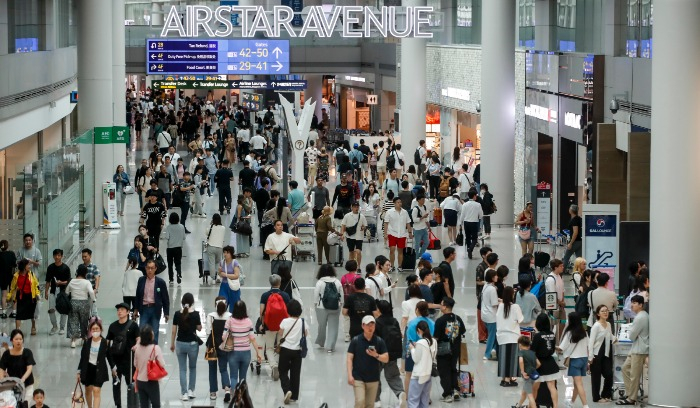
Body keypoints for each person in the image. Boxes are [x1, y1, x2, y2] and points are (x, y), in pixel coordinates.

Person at [347, 315, 389, 408]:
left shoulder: (379, 341)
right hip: (358, 377)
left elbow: (386, 358)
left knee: (370, 405)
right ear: (362, 326)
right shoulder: (355, 340)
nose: (370, 327)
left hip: (373, 378)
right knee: (360, 401)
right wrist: (350, 375)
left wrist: (376, 355)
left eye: (372, 325)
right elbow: (349, 358)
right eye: (367, 325)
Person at [258, 274, 292, 381]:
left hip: (269, 326)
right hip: (283, 326)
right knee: (280, 346)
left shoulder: (265, 295)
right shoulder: (285, 295)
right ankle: (280, 366)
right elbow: (289, 311)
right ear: (280, 283)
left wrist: (262, 324)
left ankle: (273, 366)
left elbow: (261, 312)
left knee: (269, 348)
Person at [223, 300, 262, 389]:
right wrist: (258, 352)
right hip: (246, 353)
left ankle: (234, 398)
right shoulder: (248, 321)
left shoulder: (229, 321)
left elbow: (223, 337)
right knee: (243, 378)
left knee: (233, 377)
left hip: (233, 352)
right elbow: (252, 338)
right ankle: (241, 399)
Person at [107, 302, 139, 408]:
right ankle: (118, 405)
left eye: (121, 309)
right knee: (116, 384)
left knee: (131, 384)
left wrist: (136, 346)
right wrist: (111, 363)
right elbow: (108, 343)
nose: (119, 311)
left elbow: (138, 339)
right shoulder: (112, 326)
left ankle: (131, 404)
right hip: (116, 361)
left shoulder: (133, 326)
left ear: (127, 312)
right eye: (118, 310)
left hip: (129, 360)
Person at [374, 300, 405, 407]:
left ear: (380, 310)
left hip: (380, 355)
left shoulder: (377, 322)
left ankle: (376, 400)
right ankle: (401, 394)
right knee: (393, 376)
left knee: (375, 376)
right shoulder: (394, 321)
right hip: (392, 353)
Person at [170, 293, 201, 400]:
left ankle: (184, 393)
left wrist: (172, 343)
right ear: (192, 302)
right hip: (193, 344)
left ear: (182, 302)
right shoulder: (196, 314)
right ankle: (191, 390)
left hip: (180, 344)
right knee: (192, 367)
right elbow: (199, 328)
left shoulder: (177, 314)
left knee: (182, 369)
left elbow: (174, 331)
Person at [434, 297, 466, 403]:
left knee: (444, 372)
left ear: (445, 306)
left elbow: (436, 337)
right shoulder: (458, 318)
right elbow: (462, 331)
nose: (440, 306)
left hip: (443, 350)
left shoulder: (440, 321)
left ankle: (447, 394)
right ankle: (456, 390)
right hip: (455, 349)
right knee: (453, 369)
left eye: (441, 304)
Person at [618, 295, 649, 406]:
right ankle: (630, 393)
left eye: (635, 303)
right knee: (625, 368)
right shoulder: (641, 316)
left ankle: (632, 398)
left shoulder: (641, 317)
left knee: (634, 375)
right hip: (636, 349)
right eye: (632, 302)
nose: (632, 305)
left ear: (641, 305)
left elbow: (631, 336)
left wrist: (631, 331)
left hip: (639, 350)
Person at [78, 320, 115, 408]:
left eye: (97, 329)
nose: (95, 331)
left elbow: (109, 357)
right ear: (90, 331)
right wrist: (78, 371)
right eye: (93, 329)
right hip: (88, 369)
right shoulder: (87, 342)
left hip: (99, 369)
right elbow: (82, 358)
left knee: (96, 390)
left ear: (101, 330)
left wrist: (113, 369)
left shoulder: (105, 342)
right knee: (88, 390)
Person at [277, 299, 307, 404]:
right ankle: (294, 395)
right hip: (297, 351)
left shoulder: (285, 321)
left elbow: (280, 333)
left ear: (288, 310)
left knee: (283, 371)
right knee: (295, 373)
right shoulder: (302, 321)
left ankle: (287, 390)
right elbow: (305, 334)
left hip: (285, 349)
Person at [558, 312, 589, 407]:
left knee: (579, 384)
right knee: (576, 384)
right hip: (584, 359)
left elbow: (561, 348)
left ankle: (585, 405)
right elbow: (589, 346)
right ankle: (571, 402)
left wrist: (552, 347)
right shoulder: (584, 332)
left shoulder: (569, 333)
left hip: (575, 360)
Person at [134, 259, 170, 343]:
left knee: (155, 331)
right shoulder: (141, 280)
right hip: (144, 309)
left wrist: (166, 313)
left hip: (155, 309)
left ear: (155, 269)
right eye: (148, 268)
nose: (150, 270)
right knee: (142, 330)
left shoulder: (160, 282)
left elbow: (165, 298)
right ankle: (143, 349)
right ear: (145, 268)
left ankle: (154, 351)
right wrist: (135, 309)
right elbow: (138, 295)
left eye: (152, 268)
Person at [404, 302, 435, 399]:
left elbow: (410, 341)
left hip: (414, 350)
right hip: (427, 351)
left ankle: (408, 395)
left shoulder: (412, 323)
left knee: (409, 374)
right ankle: (427, 397)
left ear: (416, 309)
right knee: (426, 374)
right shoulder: (432, 323)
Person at [496, 286, 524, 387]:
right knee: (512, 358)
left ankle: (504, 379)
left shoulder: (500, 306)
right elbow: (520, 319)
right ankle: (509, 379)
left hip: (502, 336)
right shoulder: (515, 307)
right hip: (513, 336)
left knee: (503, 358)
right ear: (512, 295)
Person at [531, 314, 559, 408]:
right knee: (552, 387)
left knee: (535, 388)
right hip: (551, 363)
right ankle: (555, 406)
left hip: (540, 364)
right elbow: (553, 349)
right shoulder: (552, 334)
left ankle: (533, 405)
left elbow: (532, 351)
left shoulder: (538, 336)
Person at [206, 297, 232, 401]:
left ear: (215, 305)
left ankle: (213, 392)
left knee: (212, 369)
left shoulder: (211, 316)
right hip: (224, 346)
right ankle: (226, 389)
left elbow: (208, 332)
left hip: (212, 346)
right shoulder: (230, 316)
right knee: (224, 368)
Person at [588, 305, 615, 403]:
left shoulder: (608, 324)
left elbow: (610, 335)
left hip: (606, 353)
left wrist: (615, 339)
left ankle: (605, 394)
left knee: (609, 374)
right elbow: (591, 342)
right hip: (596, 353)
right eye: (602, 311)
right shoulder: (596, 326)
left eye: (606, 311)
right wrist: (590, 357)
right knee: (596, 377)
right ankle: (596, 398)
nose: (605, 313)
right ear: (598, 314)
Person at [133, 325, 165, 408]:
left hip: (140, 381)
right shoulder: (155, 348)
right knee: (156, 404)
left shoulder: (137, 348)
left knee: (144, 405)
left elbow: (135, 364)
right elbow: (162, 364)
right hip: (151, 381)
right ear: (151, 336)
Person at [314, 264, 343, 352]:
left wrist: (315, 304)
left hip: (321, 307)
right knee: (333, 327)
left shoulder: (320, 282)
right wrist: (341, 304)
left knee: (322, 325)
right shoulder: (337, 282)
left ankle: (321, 342)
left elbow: (316, 296)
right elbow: (341, 295)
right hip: (335, 307)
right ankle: (330, 347)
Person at [0, 329, 36, 400]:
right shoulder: (6, 354)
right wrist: (2, 380)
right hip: (12, 385)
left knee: (25, 404)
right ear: (12, 340)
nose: (18, 341)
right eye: (16, 339)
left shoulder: (27, 352)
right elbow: (1, 368)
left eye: (20, 339)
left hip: (27, 384)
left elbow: (29, 368)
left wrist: (23, 379)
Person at [408, 320, 437, 408]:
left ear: (419, 330)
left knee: (413, 400)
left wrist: (412, 349)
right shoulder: (434, 341)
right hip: (428, 374)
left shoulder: (421, 343)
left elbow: (416, 359)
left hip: (418, 375)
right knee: (424, 400)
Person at [8, 259, 40, 334]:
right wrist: (9, 297)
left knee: (32, 314)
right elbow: (12, 287)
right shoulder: (16, 275)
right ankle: (17, 330)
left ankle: (33, 326)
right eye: (28, 265)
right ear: (23, 266)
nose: (29, 266)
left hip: (31, 297)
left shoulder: (31, 274)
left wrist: (37, 294)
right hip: (21, 297)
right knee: (19, 314)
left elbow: (35, 285)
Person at [383, 197, 413, 272]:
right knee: (392, 250)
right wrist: (385, 234)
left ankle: (400, 266)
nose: (400, 203)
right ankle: (392, 266)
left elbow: (408, 223)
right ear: (394, 203)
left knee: (400, 251)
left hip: (402, 234)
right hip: (392, 233)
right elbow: (386, 223)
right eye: (398, 202)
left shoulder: (405, 212)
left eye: (400, 202)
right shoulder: (389, 212)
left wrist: (410, 232)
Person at [45, 248, 70, 335]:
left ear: (62, 256)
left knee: (63, 309)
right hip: (53, 291)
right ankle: (54, 326)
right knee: (51, 309)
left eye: (59, 255)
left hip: (63, 292)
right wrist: (46, 292)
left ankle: (62, 327)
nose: (57, 257)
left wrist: (61, 282)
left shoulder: (66, 268)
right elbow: (48, 281)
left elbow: (69, 281)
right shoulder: (50, 268)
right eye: (55, 255)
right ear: (53, 256)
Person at [515, 336, 540, 408]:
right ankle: (519, 405)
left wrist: (523, 371)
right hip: (533, 375)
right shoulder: (532, 353)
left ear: (520, 344)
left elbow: (521, 361)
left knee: (530, 395)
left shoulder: (521, 352)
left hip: (527, 376)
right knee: (524, 392)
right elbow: (539, 363)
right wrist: (533, 369)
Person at [545, 259, 566, 342]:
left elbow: (562, 290)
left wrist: (562, 301)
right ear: (555, 267)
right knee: (552, 326)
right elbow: (552, 294)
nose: (563, 267)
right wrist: (560, 302)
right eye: (561, 266)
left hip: (560, 306)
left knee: (562, 324)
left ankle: (558, 341)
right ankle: (550, 343)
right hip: (553, 307)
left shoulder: (559, 277)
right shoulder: (550, 279)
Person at [161, 212, 185, 285]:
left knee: (170, 264)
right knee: (178, 263)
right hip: (178, 248)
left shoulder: (168, 227)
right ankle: (179, 274)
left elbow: (167, 237)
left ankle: (171, 279)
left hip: (170, 248)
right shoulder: (181, 226)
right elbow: (184, 237)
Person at [341, 202, 368, 266]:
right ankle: (351, 266)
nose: (356, 208)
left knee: (358, 251)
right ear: (352, 207)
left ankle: (358, 266)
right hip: (350, 236)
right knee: (351, 252)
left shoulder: (362, 216)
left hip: (359, 236)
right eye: (355, 207)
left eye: (357, 207)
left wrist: (363, 227)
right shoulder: (347, 216)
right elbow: (343, 225)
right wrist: (342, 234)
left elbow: (366, 225)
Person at [458, 190, 483, 259]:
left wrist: (460, 223)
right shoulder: (478, 204)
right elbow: (481, 215)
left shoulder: (465, 204)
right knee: (474, 238)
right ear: (474, 196)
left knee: (468, 237)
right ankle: (470, 249)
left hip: (466, 222)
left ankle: (469, 250)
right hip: (474, 222)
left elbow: (462, 215)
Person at [475, 247, 492, 343]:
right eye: (489, 254)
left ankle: (487, 334)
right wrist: (488, 282)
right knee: (481, 314)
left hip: (488, 293)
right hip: (481, 293)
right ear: (483, 255)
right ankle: (482, 336)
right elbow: (478, 282)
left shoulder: (490, 265)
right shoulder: (481, 267)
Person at [482, 269, 499, 360]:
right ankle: (487, 354)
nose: (497, 277)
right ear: (492, 278)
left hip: (485, 314)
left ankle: (494, 349)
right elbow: (494, 303)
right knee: (492, 336)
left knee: (494, 334)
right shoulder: (492, 289)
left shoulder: (486, 286)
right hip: (491, 316)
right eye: (495, 276)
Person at [217, 246, 241, 312]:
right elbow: (220, 274)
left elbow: (236, 275)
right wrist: (219, 272)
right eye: (224, 252)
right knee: (221, 303)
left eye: (227, 253)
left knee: (234, 306)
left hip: (233, 286)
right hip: (224, 285)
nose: (225, 254)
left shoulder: (234, 262)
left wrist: (226, 275)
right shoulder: (222, 262)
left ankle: (233, 320)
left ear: (231, 254)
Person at [205, 213, 226, 282]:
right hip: (219, 247)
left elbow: (206, 233)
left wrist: (210, 224)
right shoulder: (223, 228)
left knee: (212, 262)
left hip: (211, 246)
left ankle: (213, 276)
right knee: (218, 262)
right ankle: (218, 276)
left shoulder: (211, 226)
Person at [562, 204, 582, 270]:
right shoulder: (579, 219)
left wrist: (570, 243)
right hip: (580, 241)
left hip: (575, 242)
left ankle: (560, 273)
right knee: (579, 259)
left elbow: (575, 232)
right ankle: (581, 272)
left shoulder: (574, 220)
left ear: (571, 210)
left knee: (566, 257)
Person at [0, 240, 17, 319]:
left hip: (2, 276)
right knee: (13, 294)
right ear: (7, 246)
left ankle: (3, 313)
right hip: (11, 276)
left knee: (3, 295)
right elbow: (14, 264)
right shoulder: (11, 254)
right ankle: (14, 312)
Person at [411, 193, 431, 259]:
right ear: (418, 200)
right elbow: (414, 220)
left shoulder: (424, 207)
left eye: (424, 200)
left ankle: (420, 254)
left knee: (427, 242)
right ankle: (416, 257)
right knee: (417, 244)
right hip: (417, 229)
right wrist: (422, 217)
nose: (423, 201)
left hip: (424, 228)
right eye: (422, 200)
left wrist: (428, 226)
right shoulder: (415, 209)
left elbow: (425, 218)